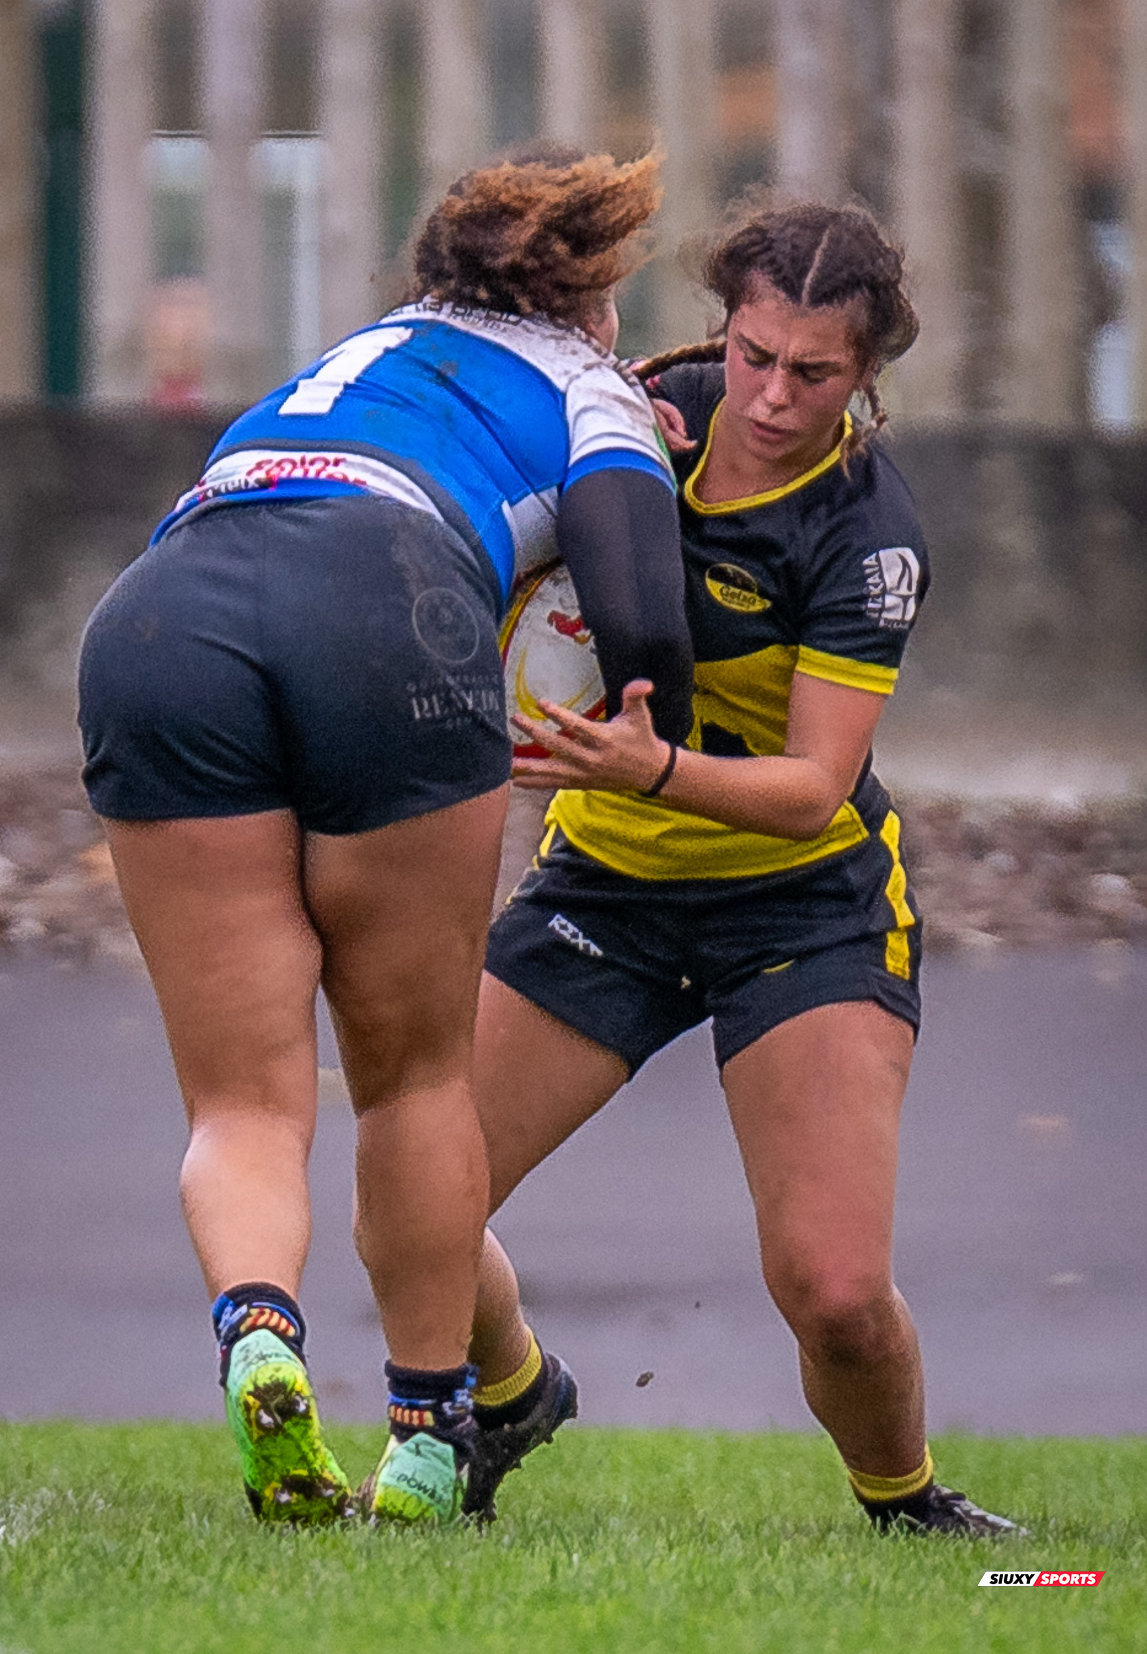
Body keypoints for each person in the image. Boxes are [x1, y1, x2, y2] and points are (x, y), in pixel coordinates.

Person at [77, 151, 693, 1529]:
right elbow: (648, 626)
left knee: (242, 1099)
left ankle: (258, 1339)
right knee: (412, 1080)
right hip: (388, 607)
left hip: (160, 613)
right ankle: (424, 1439)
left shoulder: (357, 355)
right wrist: (620, 725)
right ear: (588, 302)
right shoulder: (593, 383)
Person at [459, 200, 1021, 1537]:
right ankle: (511, 1392)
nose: (771, 396)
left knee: (832, 1288)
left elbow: (811, 789)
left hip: (804, 905)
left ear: (868, 374)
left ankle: (906, 1502)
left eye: (813, 374)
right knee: (411, 1201)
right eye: (754, 355)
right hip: (605, 890)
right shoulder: (641, 411)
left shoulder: (864, 536)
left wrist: (643, 769)